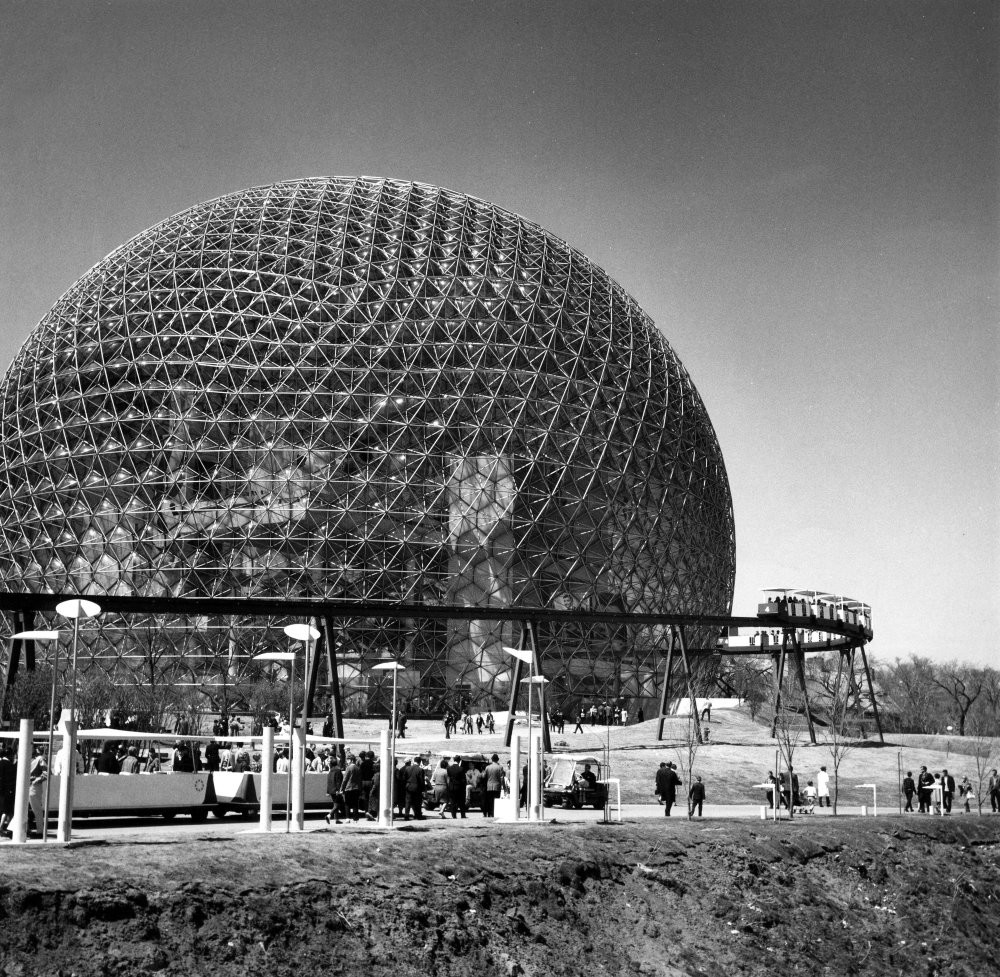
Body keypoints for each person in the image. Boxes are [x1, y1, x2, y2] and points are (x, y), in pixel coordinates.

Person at [28, 748, 48, 837]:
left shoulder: (40, 759)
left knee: (36, 809)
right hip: (27, 785)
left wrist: (37, 780)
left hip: (33, 786)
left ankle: (40, 831)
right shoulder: (28, 758)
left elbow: (46, 773)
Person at [0, 746, 16, 838]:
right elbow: (11, 780)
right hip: (7, 790)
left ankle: (8, 828)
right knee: (7, 810)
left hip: (1, 790)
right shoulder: (10, 766)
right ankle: (1, 827)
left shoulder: (1, 763)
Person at [483, 753, 505, 818]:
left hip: (489, 786)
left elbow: (484, 776)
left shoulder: (487, 767)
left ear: (492, 760)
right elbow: (502, 778)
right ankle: (494, 813)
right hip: (497, 786)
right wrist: (503, 786)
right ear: (497, 760)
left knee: (489, 801)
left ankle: (490, 813)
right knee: (496, 801)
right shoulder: (500, 767)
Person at [403, 756, 426, 820]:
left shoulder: (407, 768)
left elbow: (404, 778)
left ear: (414, 761)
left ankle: (406, 815)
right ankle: (418, 815)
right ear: (420, 762)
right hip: (417, 787)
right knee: (417, 802)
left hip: (408, 786)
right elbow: (421, 781)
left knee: (408, 802)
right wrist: (423, 789)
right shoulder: (420, 770)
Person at [342, 753, 362, 821]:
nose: (347, 761)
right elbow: (359, 779)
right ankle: (355, 818)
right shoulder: (358, 768)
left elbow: (345, 779)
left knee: (347, 803)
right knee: (355, 803)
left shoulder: (349, 768)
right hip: (356, 788)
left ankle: (347, 818)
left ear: (351, 760)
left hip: (349, 787)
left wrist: (342, 788)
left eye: (348, 759)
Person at [325, 758, 344, 825]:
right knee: (338, 804)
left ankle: (337, 819)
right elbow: (338, 781)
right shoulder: (338, 771)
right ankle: (329, 815)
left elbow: (329, 782)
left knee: (335, 804)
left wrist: (328, 791)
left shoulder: (330, 771)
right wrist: (339, 790)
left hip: (331, 790)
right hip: (336, 790)